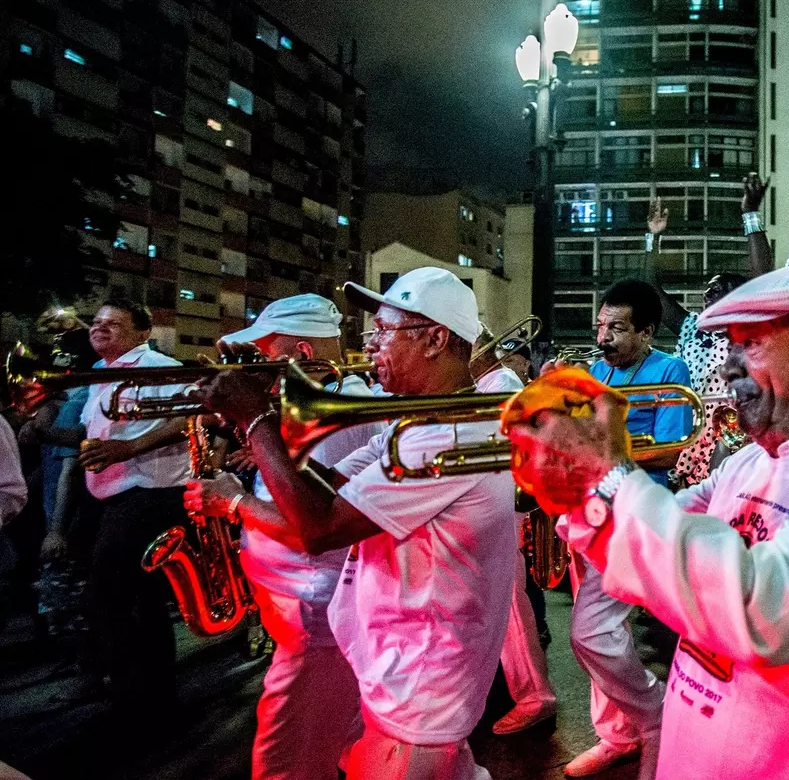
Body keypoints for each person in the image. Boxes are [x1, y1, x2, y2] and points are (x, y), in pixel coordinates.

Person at [506, 262, 789, 780]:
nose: (728, 369)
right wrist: (570, 481)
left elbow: (766, 615)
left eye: (750, 345)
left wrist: (608, 474)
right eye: (732, 347)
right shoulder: (749, 462)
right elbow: (648, 547)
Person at [196, 267, 516, 780]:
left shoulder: (445, 437)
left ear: (435, 340)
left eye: (384, 331)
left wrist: (255, 420)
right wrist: (266, 420)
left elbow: (319, 528)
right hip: (406, 672)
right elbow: (327, 487)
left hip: (418, 688)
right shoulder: (413, 422)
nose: (370, 345)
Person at [183, 294, 373, 780]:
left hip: (314, 617)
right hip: (308, 616)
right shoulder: (309, 405)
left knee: (283, 766)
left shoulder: (334, 411)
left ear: (303, 354)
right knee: (344, 748)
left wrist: (233, 501)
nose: (253, 367)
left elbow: (313, 527)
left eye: (263, 355)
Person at [556, 278, 692, 778]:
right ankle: (616, 734)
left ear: (647, 332)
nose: (603, 337)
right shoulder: (595, 372)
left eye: (615, 328)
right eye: (600, 326)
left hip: (634, 511)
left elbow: (671, 450)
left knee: (591, 633)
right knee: (607, 631)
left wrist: (601, 449)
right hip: (587, 511)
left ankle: (654, 716)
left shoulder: (670, 370)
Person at [76, 298, 191, 726]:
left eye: (114, 324)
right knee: (135, 601)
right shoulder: (100, 374)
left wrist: (128, 448)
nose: (100, 328)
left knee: (114, 598)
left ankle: (138, 698)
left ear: (143, 333)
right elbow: (96, 432)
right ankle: (147, 696)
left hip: (150, 495)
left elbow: (191, 418)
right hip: (115, 497)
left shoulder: (160, 367)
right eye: (97, 322)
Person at [649, 174, 772, 487]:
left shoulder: (745, 327)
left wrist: (750, 214)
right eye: (707, 289)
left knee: (717, 499)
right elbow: (652, 291)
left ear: (737, 297)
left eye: (717, 289)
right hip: (685, 430)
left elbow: (762, 279)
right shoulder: (691, 325)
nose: (707, 294)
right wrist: (654, 239)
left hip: (728, 434)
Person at [469, 326, 560, 736]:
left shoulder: (501, 384)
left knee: (510, 606)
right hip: (489, 502)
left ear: (479, 351)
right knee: (503, 604)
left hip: (499, 503)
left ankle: (535, 696)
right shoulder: (489, 384)